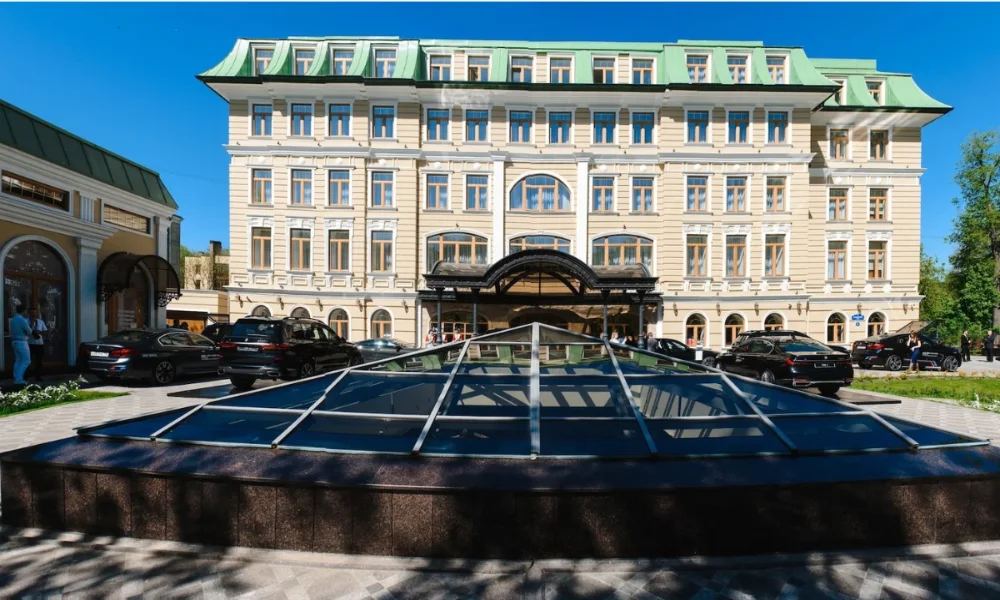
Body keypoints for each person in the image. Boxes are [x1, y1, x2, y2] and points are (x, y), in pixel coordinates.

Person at [9, 305, 33, 386]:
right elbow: (29, 331)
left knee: (18, 360)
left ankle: (16, 378)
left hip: (14, 342)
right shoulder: (22, 320)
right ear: (23, 311)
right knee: (26, 361)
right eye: (25, 311)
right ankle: (19, 379)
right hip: (22, 342)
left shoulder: (13, 319)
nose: (26, 312)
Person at [27, 308, 47, 382]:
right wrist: (32, 324)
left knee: (39, 361)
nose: (34, 314)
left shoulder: (40, 322)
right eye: (32, 313)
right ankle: (26, 376)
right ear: (29, 313)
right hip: (29, 344)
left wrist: (40, 332)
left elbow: (45, 332)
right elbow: (26, 331)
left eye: (35, 313)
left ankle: (38, 376)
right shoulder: (26, 321)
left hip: (39, 344)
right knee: (27, 361)